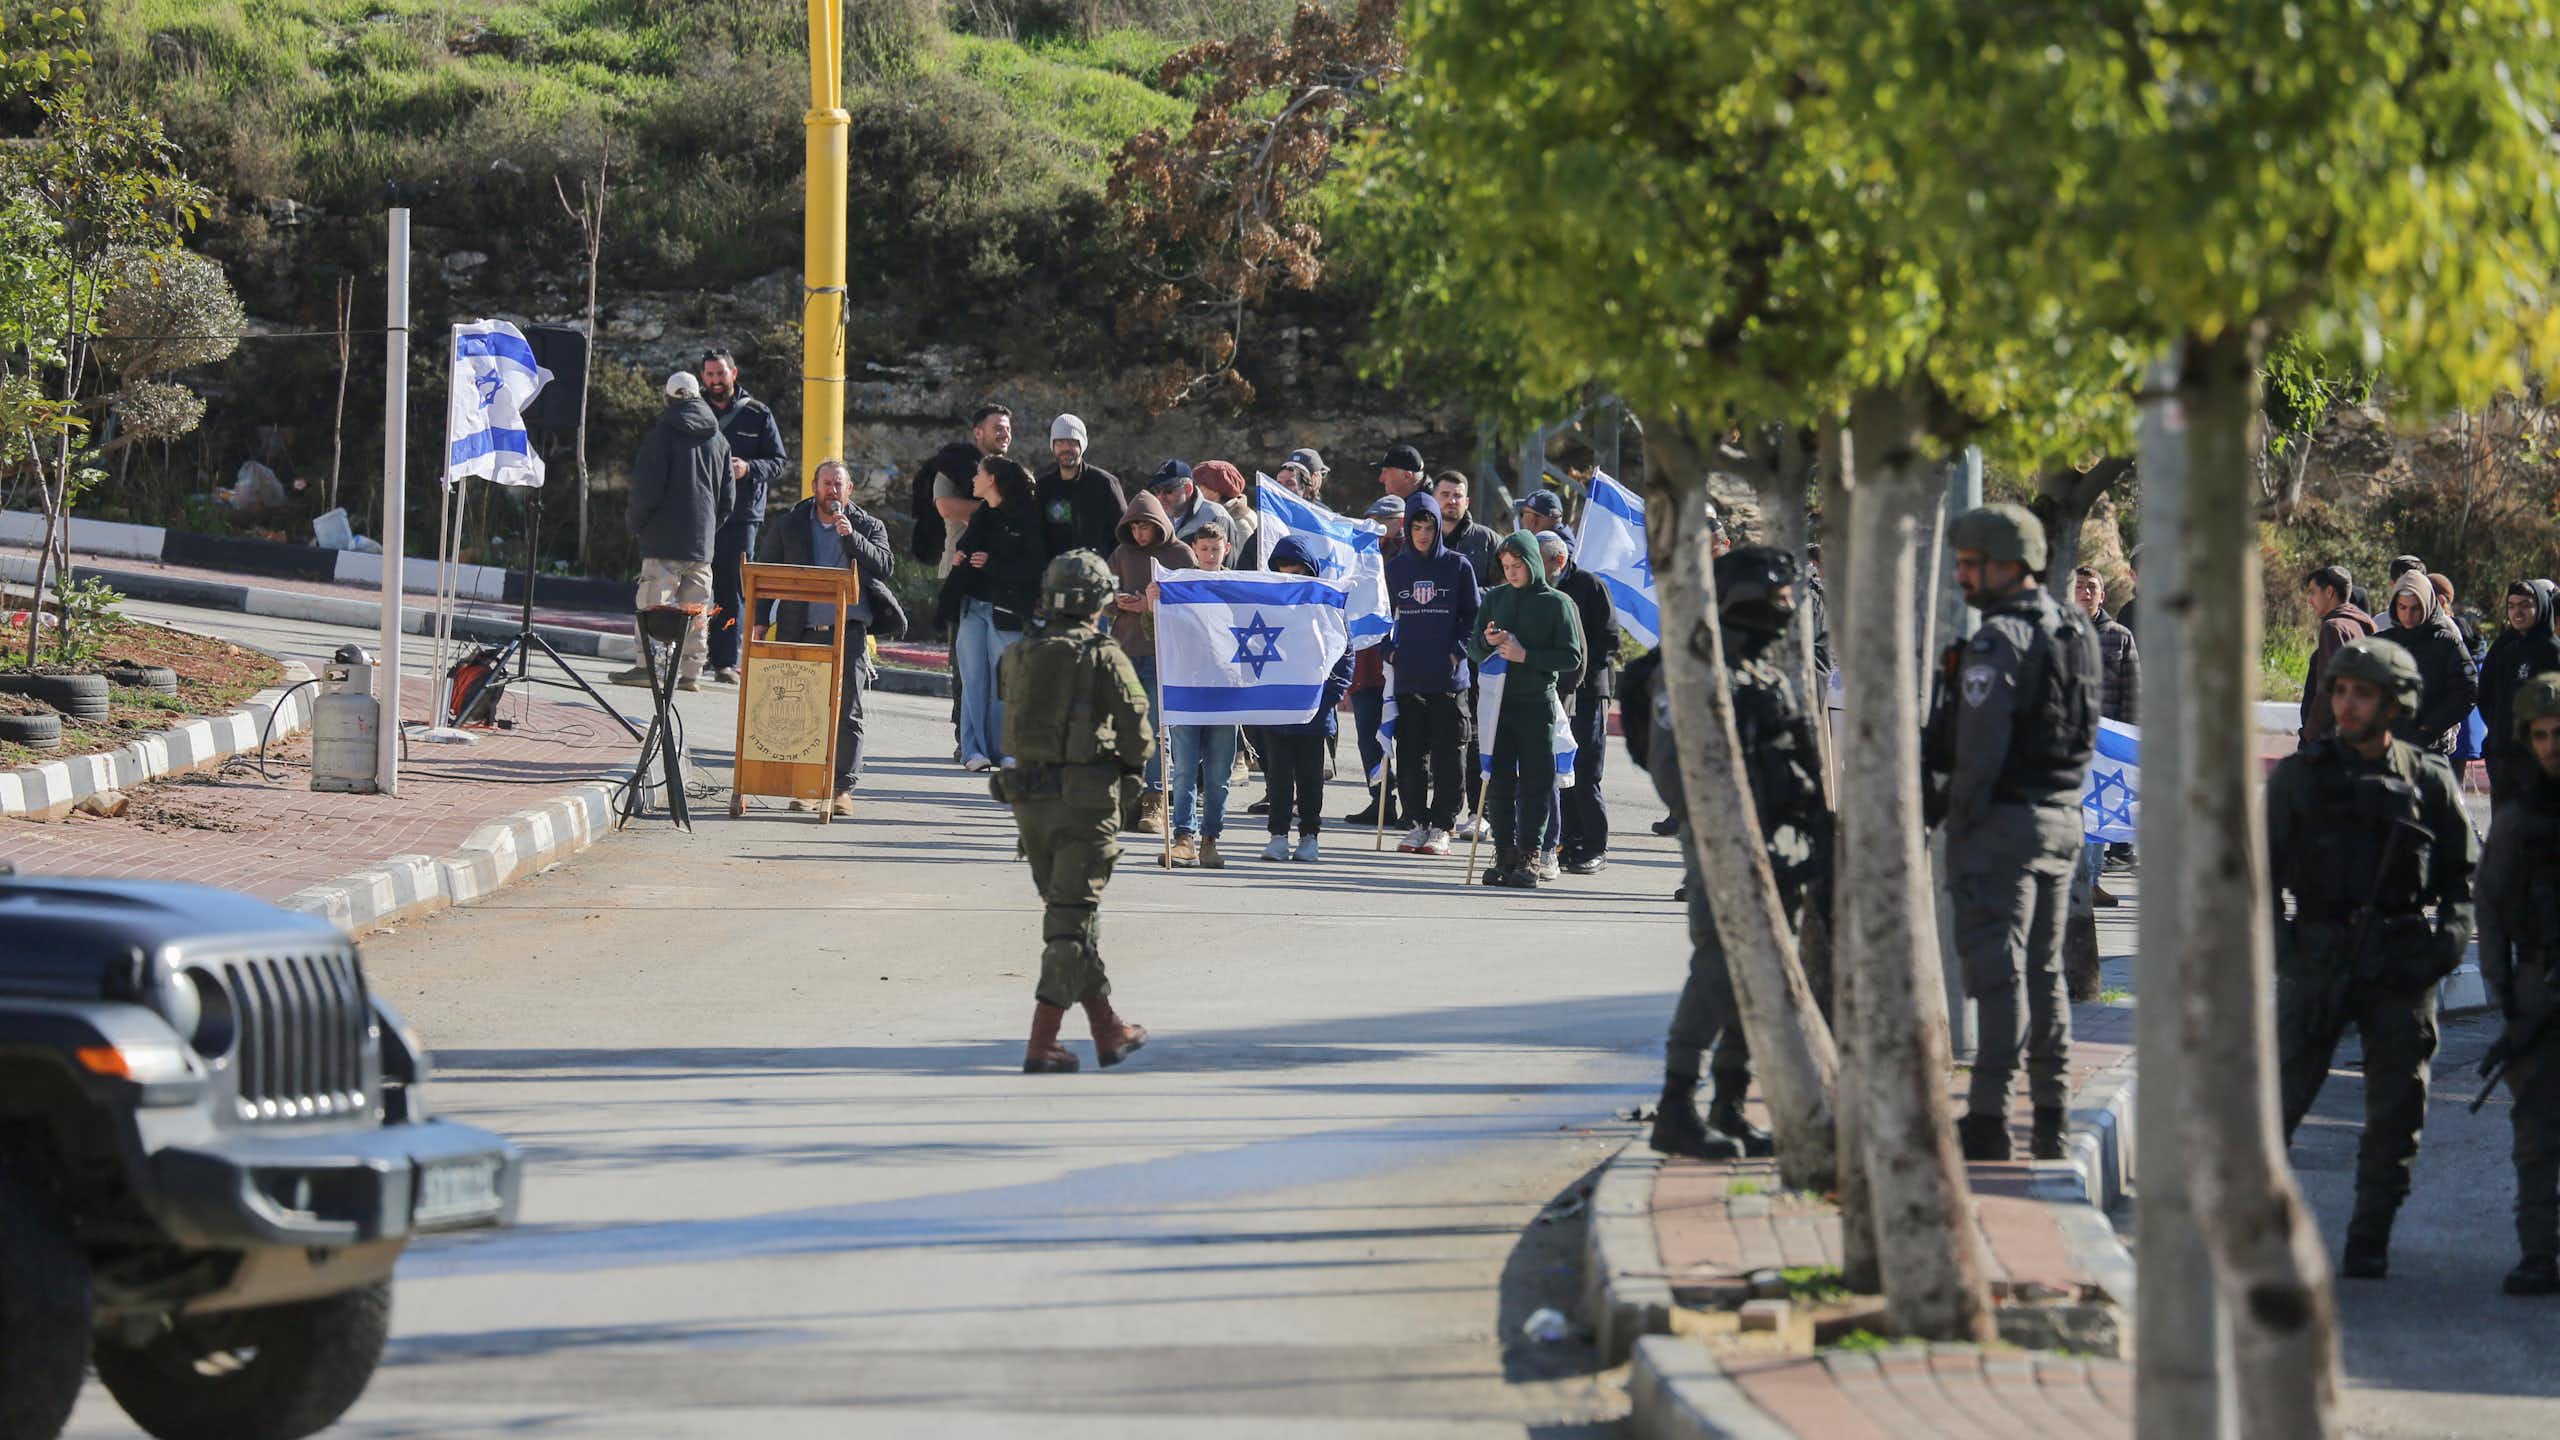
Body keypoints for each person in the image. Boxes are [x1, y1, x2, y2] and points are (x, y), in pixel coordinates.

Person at [2270, 637, 2477, 1279]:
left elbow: (2463, 883)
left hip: (2400, 960)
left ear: (2395, 704)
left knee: (2396, 1113)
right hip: (2319, 956)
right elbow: (2258, 879)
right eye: (2340, 690)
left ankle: (2369, 1241)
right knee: (2277, 1105)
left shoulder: (2430, 782)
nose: (2347, 703)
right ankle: (2259, 1235)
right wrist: (2286, 952)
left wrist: (2444, 949)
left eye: (2362, 693)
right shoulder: (2300, 778)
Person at [1648, 546, 1831, 1160]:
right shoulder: (1698, 674)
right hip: (1724, 848)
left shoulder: (1763, 676)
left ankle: (1728, 1103)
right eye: (1777, 600)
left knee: (1763, 974)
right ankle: (1676, 1105)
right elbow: (1678, 774)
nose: (1786, 612)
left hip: (1777, 849)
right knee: (1721, 968)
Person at [1935, 504, 2099, 1163]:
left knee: (1998, 976)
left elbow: (1979, 748)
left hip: (2004, 823)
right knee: (2046, 972)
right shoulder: (2075, 629)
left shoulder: (2000, 638)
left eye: (1971, 565)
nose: (1962, 577)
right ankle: (2053, 1120)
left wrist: (1957, 820)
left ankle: (1989, 1120)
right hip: (2063, 820)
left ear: (2008, 566)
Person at [997, 551, 1154, 1074]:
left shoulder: (1019, 653)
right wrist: (1127, 775)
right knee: (1069, 925)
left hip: (1028, 805)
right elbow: (1139, 734)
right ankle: (1042, 1043)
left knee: (1071, 914)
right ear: (1098, 602)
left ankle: (1108, 1028)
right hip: (1086, 803)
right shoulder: (1103, 655)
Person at [2476, 673, 2560, 1295]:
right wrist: (2506, 999)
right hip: (2541, 985)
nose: (2553, 744)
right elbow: (2492, 911)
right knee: (2536, 1133)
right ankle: (2539, 1254)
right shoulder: (2520, 820)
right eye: (2542, 735)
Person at [753, 459, 901, 810]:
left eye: (839, 485)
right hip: (800, 629)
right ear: (814, 487)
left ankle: (841, 790)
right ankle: (805, 786)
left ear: (850, 490)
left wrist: (851, 536)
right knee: (801, 710)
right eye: (826, 484)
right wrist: (759, 621)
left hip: (847, 631)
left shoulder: (867, 525)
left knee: (847, 711)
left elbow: (885, 566)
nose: (832, 491)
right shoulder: (790, 526)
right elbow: (766, 573)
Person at [1466, 530, 1582, 888]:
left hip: (1537, 704)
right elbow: (1473, 646)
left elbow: (1571, 656)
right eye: (1505, 566)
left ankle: (1530, 856)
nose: (1512, 572)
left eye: (1518, 565)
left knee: (1535, 783)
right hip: (1498, 704)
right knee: (1499, 783)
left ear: (1533, 562)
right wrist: (1488, 642)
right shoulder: (1495, 598)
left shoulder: (1557, 602)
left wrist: (1526, 655)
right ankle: (1504, 854)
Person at [611, 371, 733, 692]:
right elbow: (728, 500)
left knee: (655, 603)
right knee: (696, 609)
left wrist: (635, 524)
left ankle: (648, 667)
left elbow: (646, 491)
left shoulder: (662, 435)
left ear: (668, 398)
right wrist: (707, 530)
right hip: (701, 544)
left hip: (663, 540)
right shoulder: (719, 439)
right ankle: (692, 674)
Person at [1252, 536, 1356, 861]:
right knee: (1278, 777)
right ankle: (1278, 835)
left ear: (1310, 571)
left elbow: (1345, 655)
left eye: (1298, 571)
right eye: (1284, 571)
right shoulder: (1265, 604)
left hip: (1315, 711)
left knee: (1311, 777)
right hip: (1277, 710)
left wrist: (1329, 698)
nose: (1291, 577)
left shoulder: (1327, 605)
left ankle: (1310, 835)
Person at [1386, 491, 1477, 854]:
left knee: (1449, 754)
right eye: (1416, 526)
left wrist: (1457, 652)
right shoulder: (1395, 568)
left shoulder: (1457, 566)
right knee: (1409, 754)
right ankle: (1418, 821)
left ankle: (1443, 825)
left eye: (1429, 526)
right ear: (1407, 528)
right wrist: (1388, 651)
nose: (1423, 533)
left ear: (1439, 527)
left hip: (1448, 680)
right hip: (1409, 677)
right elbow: (1378, 616)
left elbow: (1474, 616)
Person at [946, 456, 1047, 771]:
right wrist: (961, 555)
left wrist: (992, 563)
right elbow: (967, 544)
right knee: (973, 678)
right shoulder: (982, 514)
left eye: (978, 473)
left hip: (1008, 608)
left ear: (992, 479)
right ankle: (973, 751)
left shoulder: (1027, 516)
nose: (973, 479)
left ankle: (1005, 750)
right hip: (973, 605)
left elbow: (1034, 565)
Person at [1107, 491, 1196, 832]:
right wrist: (1118, 602)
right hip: (1126, 650)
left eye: (1146, 527)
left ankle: (1155, 800)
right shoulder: (1122, 554)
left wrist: (1151, 605)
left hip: (1162, 654)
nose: (1140, 535)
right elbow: (1103, 592)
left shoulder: (1180, 554)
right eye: (1135, 528)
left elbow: (1191, 602)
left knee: (1159, 731)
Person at [698, 349, 789, 685]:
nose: (715, 381)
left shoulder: (758, 414)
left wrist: (749, 468)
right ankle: (692, 656)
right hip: (699, 513)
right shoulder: (695, 411)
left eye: (720, 374)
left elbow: (778, 461)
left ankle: (724, 661)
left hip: (740, 517)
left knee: (730, 590)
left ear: (733, 373)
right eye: (708, 375)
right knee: (690, 584)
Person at [1165, 514, 1237, 868]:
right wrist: (1153, 603)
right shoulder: (1180, 585)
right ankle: (1183, 837)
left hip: (1226, 691)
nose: (1210, 554)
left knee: (1219, 773)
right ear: (1194, 550)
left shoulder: (1241, 588)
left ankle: (1211, 838)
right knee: (1184, 767)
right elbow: (1157, 631)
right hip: (1187, 687)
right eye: (1204, 548)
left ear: (1226, 549)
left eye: (1215, 548)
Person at [1548, 525, 1619, 874]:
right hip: (1554, 692)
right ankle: (1567, 842)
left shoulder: (1590, 586)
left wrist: (1580, 676)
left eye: (1543, 562)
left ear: (1559, 560)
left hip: (1589, 693)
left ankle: (1595, 848)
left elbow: (1609, 640)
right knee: (1563, 769)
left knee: (1586, 771)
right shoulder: (1541, 588)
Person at [2070, 564, 2139, 905]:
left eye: (2091, 587)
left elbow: (2132, 693)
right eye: (2079, 586)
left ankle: (2092, 880)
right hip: (2067, 741)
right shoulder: (2059, 632)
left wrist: (2128, 738)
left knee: (2098, 815)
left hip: (2106, 747)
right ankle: (2070, 881)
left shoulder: (2119, 636)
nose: (2085, 593)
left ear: (2102, 594)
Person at [1344, 495, 1407, 830]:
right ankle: (1381, 800)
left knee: (1409, 739)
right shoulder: (1359, 553)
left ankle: (1412, 807)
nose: (1377, 526)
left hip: (1400, 664)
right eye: (1372, 518)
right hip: (1366, 664)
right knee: (1368, 736)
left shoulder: (1410, 556)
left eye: (1385, 520)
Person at [2377, 569, 2480, 756]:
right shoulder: (2382, 643)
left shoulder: (2446, 644)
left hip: (2429, 750)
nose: (2408, 615)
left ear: (2427, 605)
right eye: (2402, 607)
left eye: (2415, 608)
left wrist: (2431, 728)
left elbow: (2467, 692)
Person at [2481, 580, 2560, 808]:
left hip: (2538, 762)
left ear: (2542, 607)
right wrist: (2498, 734)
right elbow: (2486, 695)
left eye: (2525, 605)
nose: (2518, 612)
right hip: (2502, 758)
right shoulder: (2504, 648)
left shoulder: (2552, 652)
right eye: (2512, 606)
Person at [912, 403, 1009, 575]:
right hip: (958, 572)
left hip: (998, 572)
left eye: (1008, 429)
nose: (1005, 435)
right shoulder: (952, 466)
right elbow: (947, 508)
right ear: (978, 433)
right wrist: (1004, 511)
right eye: (998, 429)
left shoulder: (1013, 473)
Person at [2300, 565, 2377, 749]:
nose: (2309, 600)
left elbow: (2330, 687)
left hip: (2331, 739)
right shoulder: (2358, 624)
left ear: (2329, 592)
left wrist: (2310, 733)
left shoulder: (2334, 628)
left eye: (2312, 592)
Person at [1034, 413, 1126, 560]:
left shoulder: (1105, 484)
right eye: (1059, 443)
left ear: (1082, 445)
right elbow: (1037, 537)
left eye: (1072, 443)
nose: (1066, 448)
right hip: (1056, 577)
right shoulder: (1044, 488)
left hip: (1098, 575)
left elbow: (1122, 533)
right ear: (1053, 446)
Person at [1433, 470, 1500, 585]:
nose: (1451, 501)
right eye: (1445, 495)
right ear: (1433, 499)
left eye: (1457, 496)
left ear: (1467, 502)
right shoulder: (1420, 537)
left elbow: (1503, 590)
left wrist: (1470, 595)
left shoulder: (1488, 540)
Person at [1144, 459, 1226, 547]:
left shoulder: (1215, 516)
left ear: (1188, 489)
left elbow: (1227, 559)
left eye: (1168, 490)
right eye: (1156, 490)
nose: (1160, 497)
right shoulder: (1159, 519)